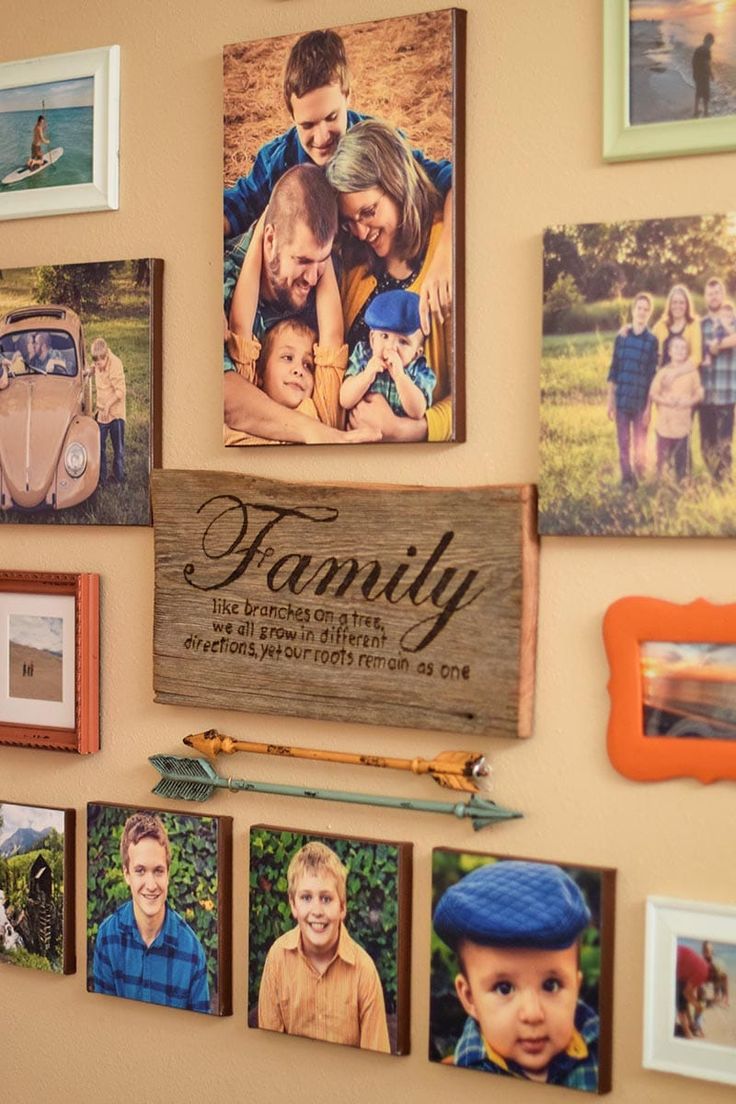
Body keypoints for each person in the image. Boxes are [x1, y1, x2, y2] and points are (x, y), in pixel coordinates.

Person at [223, 28, 453, 327]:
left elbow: (449, 179)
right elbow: (236, 206)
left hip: (352, 283)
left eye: (332, 117)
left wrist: (448, 255)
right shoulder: (278, 159)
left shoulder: (375, 145)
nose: (322, 137)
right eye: (307, 124)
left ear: (347, 94)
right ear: (291, 115)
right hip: (298, 292)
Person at [224, 164, 376, 446]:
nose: (312, 278)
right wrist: (318, 434)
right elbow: (225, 388)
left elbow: (332, 341)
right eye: (303, 260)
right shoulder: (223, 279)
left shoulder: (328, 278)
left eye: (323, 260)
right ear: (270, 240)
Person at [326, 119, 453, 442]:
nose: (361, 231)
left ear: (397, 184)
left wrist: (411, 431)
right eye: (350, 221)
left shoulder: (445, 257)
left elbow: (478, 390)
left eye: (368, 212)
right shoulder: (354, 264)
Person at [433, 860, 599, 1091]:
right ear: (469, 998)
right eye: (504, 988)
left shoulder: (602, 1052)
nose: (532, 1014)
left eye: (551, 985)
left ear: (576, 986)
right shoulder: (459, 1083)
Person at [257, 840, 390, 1052]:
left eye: (326, 899)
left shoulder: (364, 971)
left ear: (342, 907)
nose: (316, 910)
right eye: (306, 897)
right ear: (293, 905)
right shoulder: (277, 957)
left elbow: (376, 1063)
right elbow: (269, 1051)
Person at [92, 812, 210, 1013]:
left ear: (168, 874)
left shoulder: (192, 951)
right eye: (140, 871)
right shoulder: (107, 937)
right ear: (126, 874)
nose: (151, 885)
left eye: (158, 871)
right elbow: (103, 1019)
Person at [341, 289, 435, 419]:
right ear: (372, 339)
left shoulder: (417, 370)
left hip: (400, 437)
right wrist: (366, 376)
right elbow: (344, 400)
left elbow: (418, 412)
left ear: (416, 354)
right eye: (384, 336)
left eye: (403, 342)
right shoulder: (363, 356)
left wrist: (400, 377)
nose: (391, 347)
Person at [607, 292, 659, 486]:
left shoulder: (652, 341)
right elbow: (614, 370)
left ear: (649, 313)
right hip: (621, 401)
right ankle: (627, 479)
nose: (642, 312)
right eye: (639, 308)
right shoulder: (621, 337)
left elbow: (652, 377)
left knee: (640, 443)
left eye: (646, 310)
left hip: (640, 403)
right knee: (623, 443)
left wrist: (648, 408)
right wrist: (610, 401)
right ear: (633, 310)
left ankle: (641, 475)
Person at [648, 334, 703, 483]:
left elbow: (699, 392)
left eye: (683, 348)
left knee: (681, 458)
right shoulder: (663, 372)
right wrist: (665, 401)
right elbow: (653, 393)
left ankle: (682, 481)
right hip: (664, 425)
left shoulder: (692, 372)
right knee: (662, 457)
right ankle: (661, 480)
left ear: (687, 352)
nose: (680, 350)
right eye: (676, 347)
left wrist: (690, 401)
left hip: (683, 425)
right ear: (670, 352)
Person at [699, 277, 736, 482]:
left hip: (726, 392)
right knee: (707, 444)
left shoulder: (733, 320)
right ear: (705, 297)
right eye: (710, 293)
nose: (714, 297)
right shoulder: (700, 324)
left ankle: (724, 482)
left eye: (717, 293)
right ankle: (716, 478)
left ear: (723, 295)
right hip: (705, 394)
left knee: (725, 442)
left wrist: (718, 345)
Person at [91, 337, 126, 484]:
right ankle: (101, 478)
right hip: (101, 412)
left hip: (115, 413)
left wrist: (108, 406)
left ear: (106, 357)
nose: (97, 366)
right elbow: (94, 367)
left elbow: (121, 392)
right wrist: (89, 371)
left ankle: (118, 477)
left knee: (118, 447)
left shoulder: (115, 364)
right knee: (99, 445)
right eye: (95, 363)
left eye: (99, 363)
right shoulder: (98, 363)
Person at [652, 285, 702, 370]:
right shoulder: (661, 325)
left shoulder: (693, 325)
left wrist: (677, 373)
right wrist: (629, 328)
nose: (677, 306)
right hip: (663, 377)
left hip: (685, 377)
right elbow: (647, 341)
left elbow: (696, 357)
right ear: (670, 305)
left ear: (687, 305)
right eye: (674, 302)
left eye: (681, 302)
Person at [675, 944, 709, 1039]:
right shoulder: (702, 974)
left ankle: (691, 1026)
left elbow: (691, 991)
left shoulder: (704, 968)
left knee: (685, 1002)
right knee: (681, 1005)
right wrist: (697, 1005)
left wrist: (696, 1003)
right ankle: (687, 1033)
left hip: (681, 966)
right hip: (674, 962)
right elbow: (687, 993)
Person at [692, 33, 715, 118]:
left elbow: (693, 62)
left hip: (696, 74)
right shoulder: (707, 51)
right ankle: (706, 113)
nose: (711, 45)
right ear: (708, 41)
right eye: (712, 42)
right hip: (703, 76)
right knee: (706, 94)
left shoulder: (698, 49)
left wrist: (695, 74)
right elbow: (707, 64)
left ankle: (695, 111)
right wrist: (711, 74)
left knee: (698, 92)